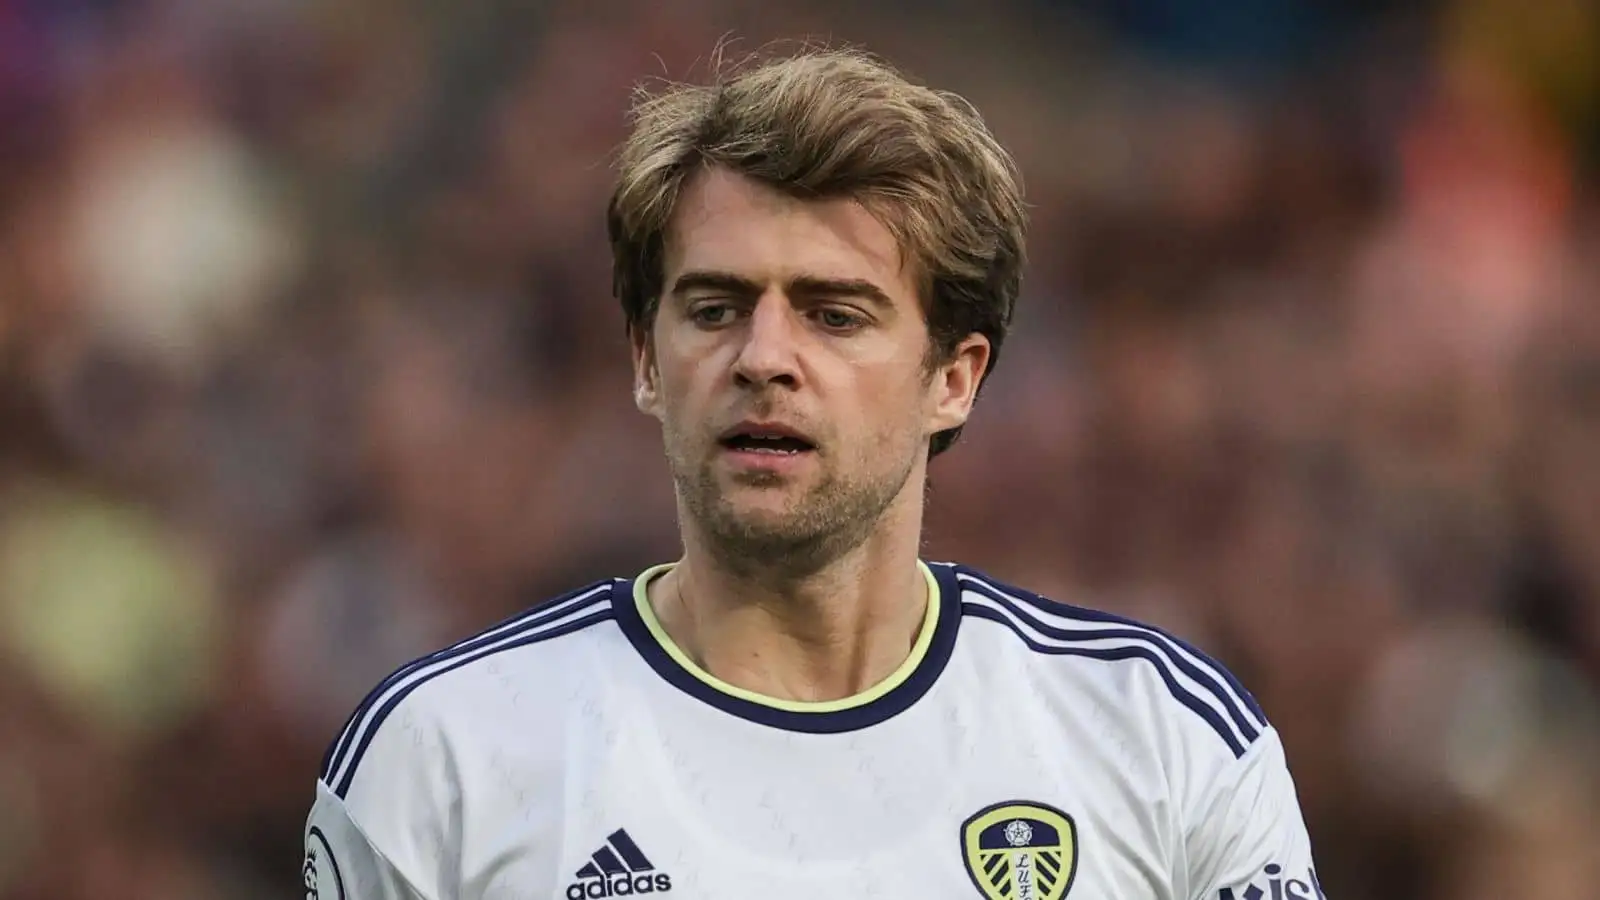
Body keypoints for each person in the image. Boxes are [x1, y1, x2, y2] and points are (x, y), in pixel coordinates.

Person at [303, 47, 1325, 900]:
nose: (762, 357)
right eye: (713, 308)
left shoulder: (1161, 742)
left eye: (835, 315)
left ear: (954, 379)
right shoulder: (440, 762)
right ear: (647, 361)